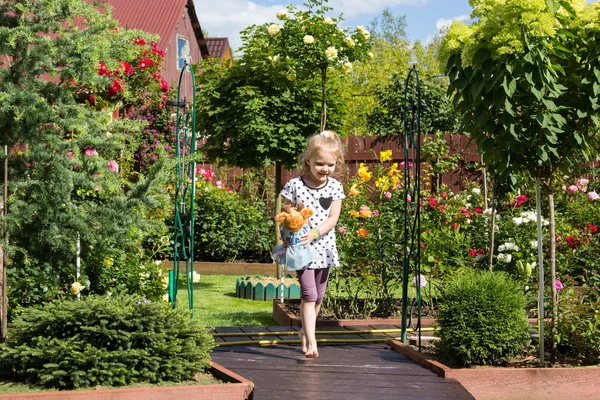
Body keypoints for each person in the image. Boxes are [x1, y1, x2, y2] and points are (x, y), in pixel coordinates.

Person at [280, 130, 345, 358]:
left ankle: (304, 332)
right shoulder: (296, 184)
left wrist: (316, 232)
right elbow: (286, 210)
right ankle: (311, 341)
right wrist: (290, 222)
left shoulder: (335, 187)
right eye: (319, 164)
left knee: (318, 296)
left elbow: (333, 218)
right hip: (302, 248)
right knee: (308, 295)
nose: (325, 169)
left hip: (324, 247)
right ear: (308, 160)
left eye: (330, 165)